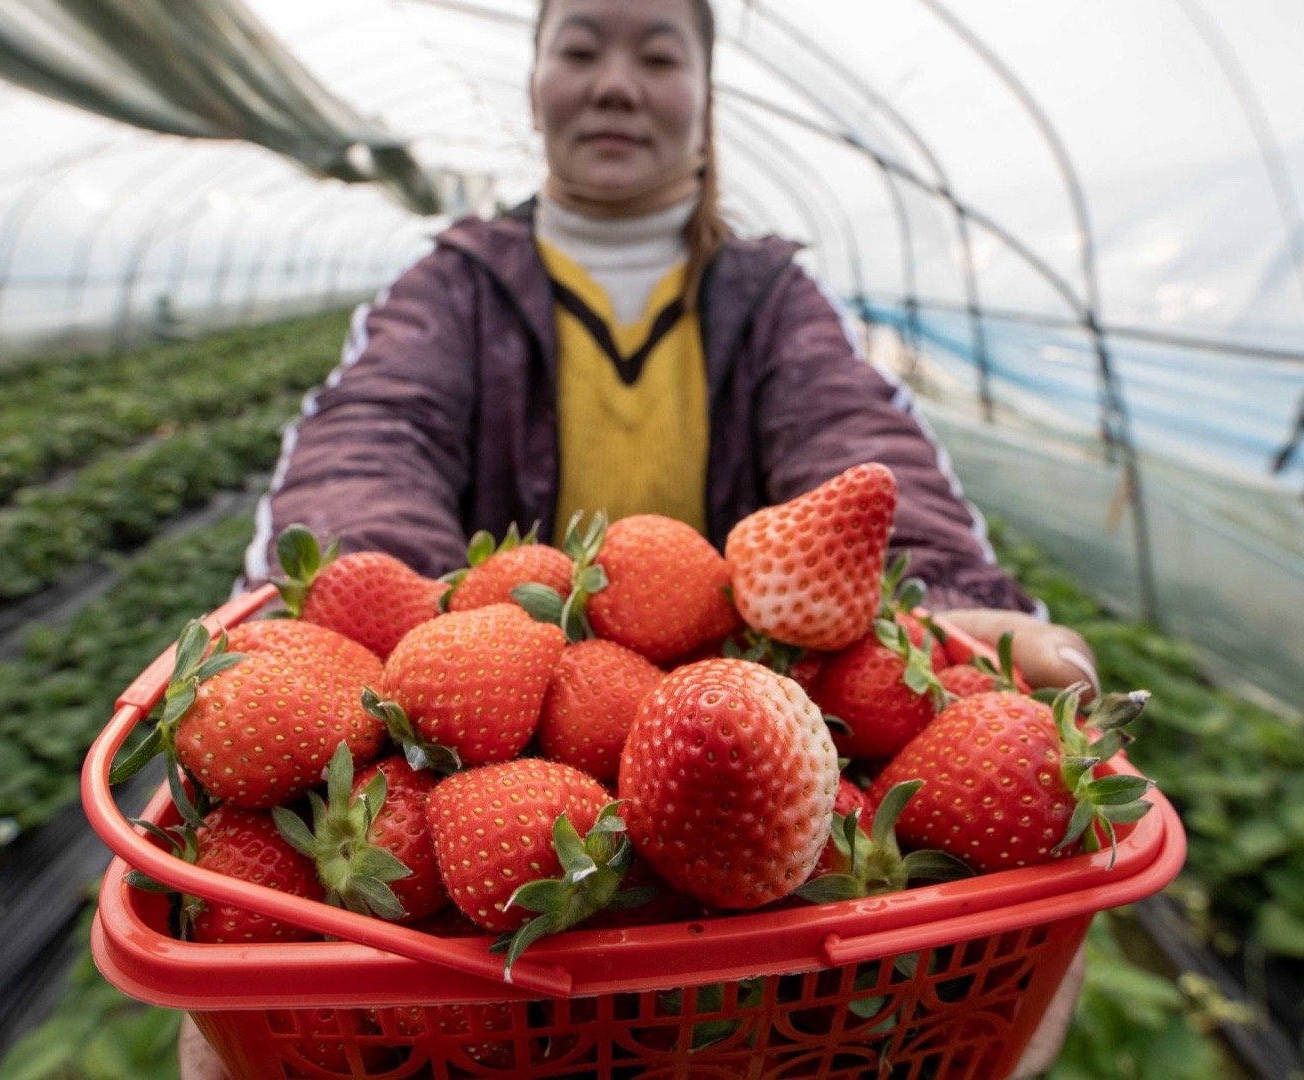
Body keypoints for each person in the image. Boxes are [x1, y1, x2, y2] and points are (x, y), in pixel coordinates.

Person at [194, 0, 1095, 1075]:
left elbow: (846, 427)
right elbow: (376, 426)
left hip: (737, 716)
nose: (615, 82)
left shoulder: (770, 295)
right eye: (579, 48)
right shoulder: (457, 282)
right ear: (534, 82)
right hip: (510, 732)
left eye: (658, 55)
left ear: (704, 100)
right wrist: (410, 620)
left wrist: (937, 599)